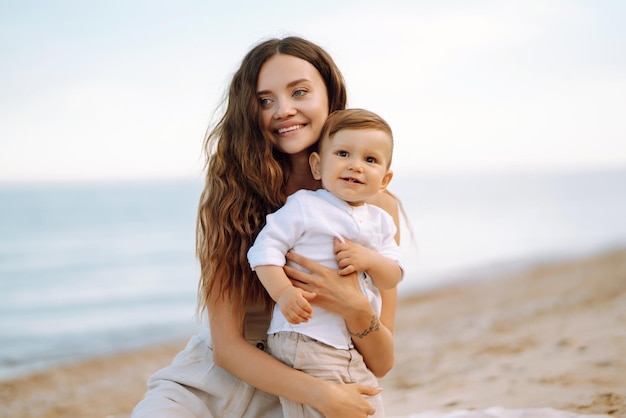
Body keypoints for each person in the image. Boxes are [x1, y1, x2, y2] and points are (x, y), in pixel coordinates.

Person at [132, 36, 401, 418]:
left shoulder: (375, 211)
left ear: (330, 95)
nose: (283, 110)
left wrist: (355, 306)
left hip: (312, 386)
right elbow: (226, 348)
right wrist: (321, 396)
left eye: (300, 91)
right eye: (265, 100)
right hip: (214, 386)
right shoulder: (232, 196)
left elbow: (382, 362)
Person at [247, 108, 404, 418]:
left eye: (370, 160)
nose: (356, 165)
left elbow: (392, 276)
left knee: (368, 407)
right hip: (305, 335)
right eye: (344, 153)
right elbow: (264, 250)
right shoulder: (305, 206)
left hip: (348, 345)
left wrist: (370, 259)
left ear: (384, 179)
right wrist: (283, 293)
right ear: (318, 165)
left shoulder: (381, 221)